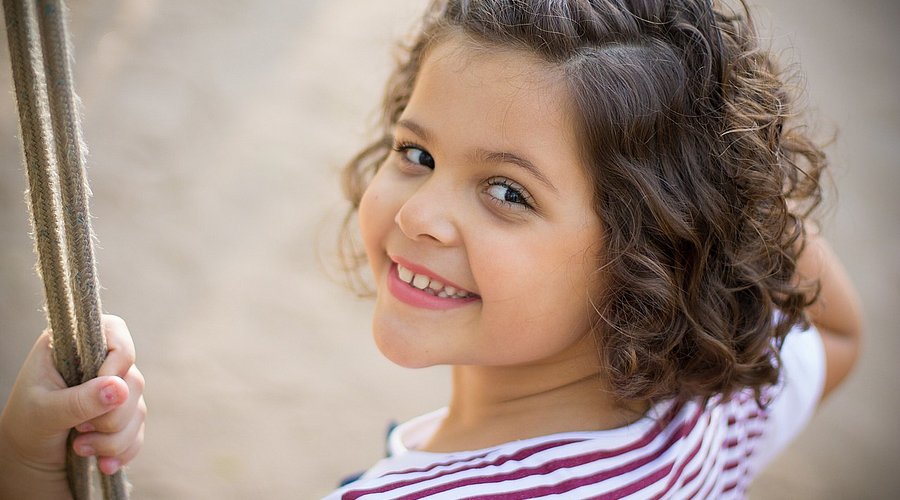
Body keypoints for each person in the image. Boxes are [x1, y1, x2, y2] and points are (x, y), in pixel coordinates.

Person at [0, 0, 863, 498]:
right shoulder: (706, 422)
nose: (419, 215)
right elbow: (836, 338)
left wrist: (29, 466)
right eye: (419, 154)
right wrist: (723, 190)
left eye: (508, 191)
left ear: (651, 248)